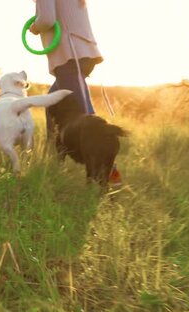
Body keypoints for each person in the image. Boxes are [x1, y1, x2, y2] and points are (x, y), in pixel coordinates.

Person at [30, 0, 123, 187]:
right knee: (52, 102)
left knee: (85, 116)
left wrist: (35, 26)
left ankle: (111, 173)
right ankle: (55, 158)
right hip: (83, 51)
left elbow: (47, 20)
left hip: (69, 53)